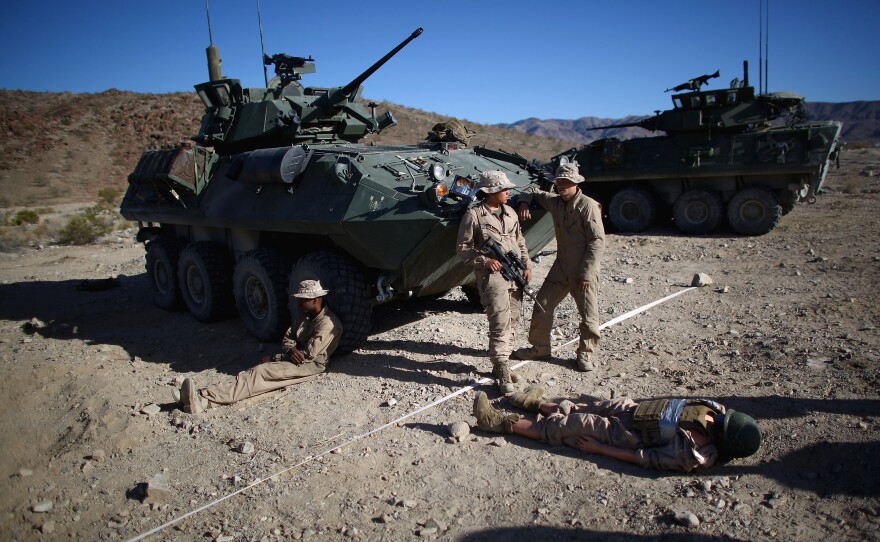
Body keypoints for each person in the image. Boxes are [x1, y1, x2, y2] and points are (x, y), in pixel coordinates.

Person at [472, 387, 761, 472]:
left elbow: (645, 459)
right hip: (636, 411)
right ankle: (540, 405)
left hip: (627, 436)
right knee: (596, 406)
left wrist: (600, 449)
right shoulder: (717, 411)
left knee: (573, 426)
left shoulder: (696, 454)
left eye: (722, 426)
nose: (718, 418)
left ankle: (497, 422)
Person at [177, 279, 343, 414]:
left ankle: (204, 398)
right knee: (255, 377)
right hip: (296, 358)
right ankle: (202, 398)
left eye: (302, 300)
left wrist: (275, 358)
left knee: (259, 374)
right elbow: (288, 338)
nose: (299, 303)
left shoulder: (327, 324)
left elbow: (308, 356)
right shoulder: (305, 317)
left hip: (310, 366)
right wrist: (290, 350)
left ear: (315, 300)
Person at [513, 162, 605, 371]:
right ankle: (540, 349)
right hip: (561, 267)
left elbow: (597, 241)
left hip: (583, 270)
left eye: (566, 182)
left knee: (588, 315)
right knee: (542, 304)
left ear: (576, 183)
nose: (562, 186)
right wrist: (525, 202)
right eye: (559, 182)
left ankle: (585, 355)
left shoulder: (587, 206)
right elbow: (532, 191)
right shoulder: (555, 202)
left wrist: (587, 273)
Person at [457, 170, 532, 395]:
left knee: (513, 318)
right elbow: (463, 249)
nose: (508, 192)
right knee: (499, 320)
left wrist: (527, 265)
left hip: (515, 273)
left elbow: (520, 241)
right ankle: (501, 367)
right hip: (493, 277)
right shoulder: (474, 215)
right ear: (491, 192)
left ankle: (504, 361)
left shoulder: (510, 212)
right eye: (503, 189)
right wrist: (485, 260)